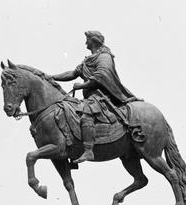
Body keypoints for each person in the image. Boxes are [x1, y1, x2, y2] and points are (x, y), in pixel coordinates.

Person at [50, 30, 138, 163]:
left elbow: (102, 75)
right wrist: (52, 78)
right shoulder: (89, 59)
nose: (86, 42)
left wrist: (82, 85)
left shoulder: (104, 57)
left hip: (101, 96)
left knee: (86, 113)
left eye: (87, 39)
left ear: (94, 40)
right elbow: (73, 73)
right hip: (90, 96)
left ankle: (89, 150)